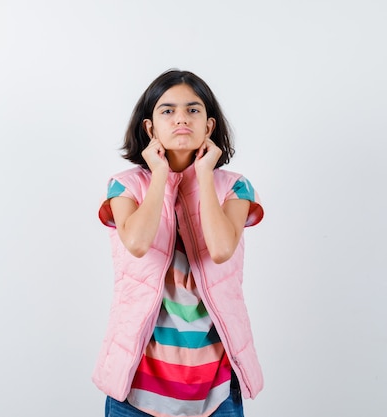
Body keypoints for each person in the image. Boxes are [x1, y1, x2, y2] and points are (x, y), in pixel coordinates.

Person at [94, 69, 264, 417]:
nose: (181, 118)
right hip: (136, 386)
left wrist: (203, 174)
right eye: (167, 110)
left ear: (209, 126)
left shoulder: (235, 187)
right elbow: (138, 243)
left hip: (215, 387)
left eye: (193, 109)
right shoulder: (125, 186)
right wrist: (159, 175)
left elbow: (219, 250)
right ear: (150, 128)